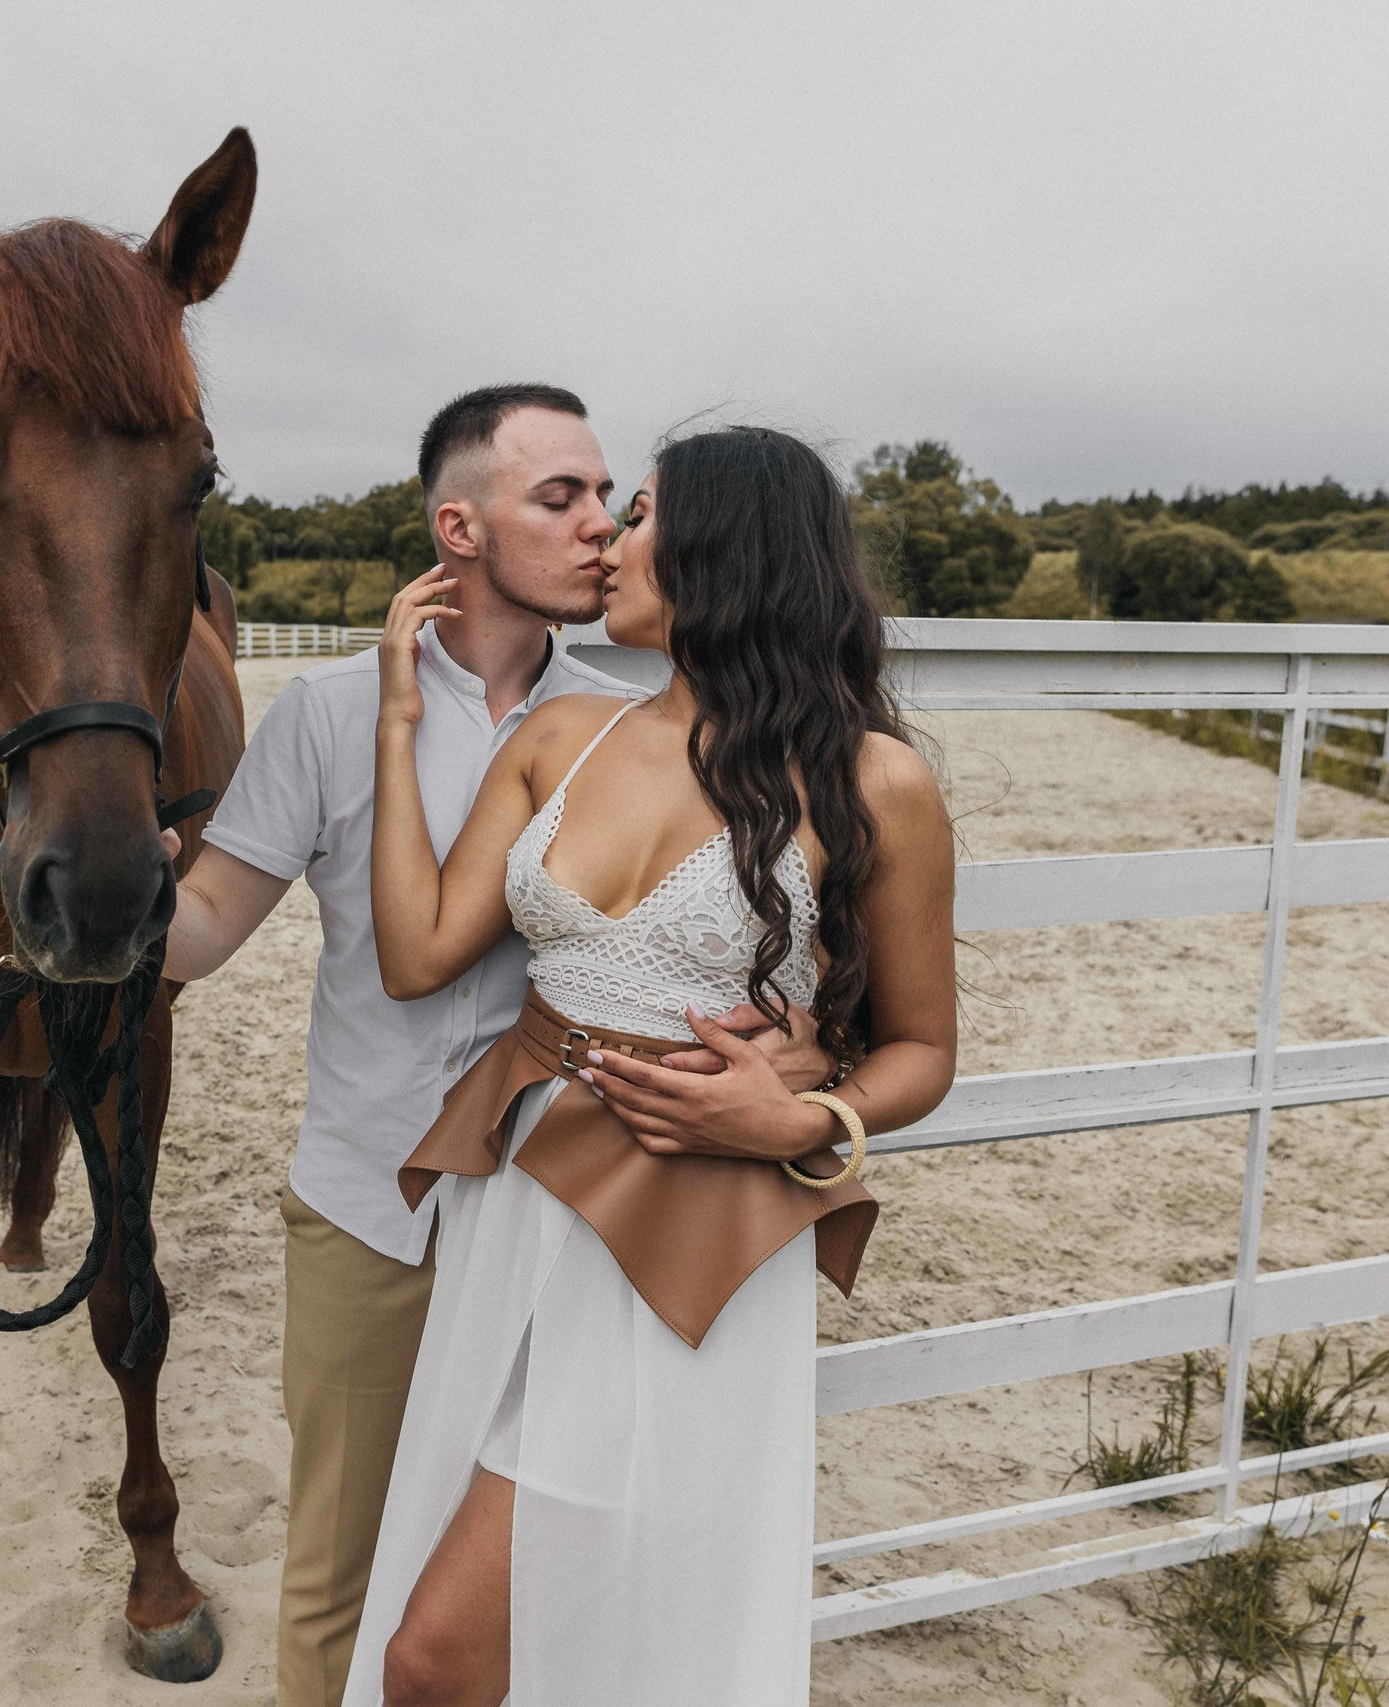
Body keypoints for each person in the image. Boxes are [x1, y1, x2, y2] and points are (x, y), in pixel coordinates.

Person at [160, 388, 843, 1707]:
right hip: (378, 1199)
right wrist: (115, 896)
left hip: (569, 1215)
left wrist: (805, 1055)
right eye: (561, 498)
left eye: (610, 499)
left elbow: (746, 930)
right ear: (458, 528)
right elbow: (204, 933)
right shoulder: (325, 712)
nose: (598, 527)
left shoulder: (620, 718)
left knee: (530, 1575)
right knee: (344, 1569)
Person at [343, 425, 959, 1707]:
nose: (608, 543)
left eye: (637, 517)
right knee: (505, 1634)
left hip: (687, 1227)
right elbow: (415, 954)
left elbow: (923, 1050)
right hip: (515, 1198)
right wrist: (395, 725)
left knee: (434, 1660)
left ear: (722, 550)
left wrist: (803, 1121)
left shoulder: (873, 780)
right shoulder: (561, 735)